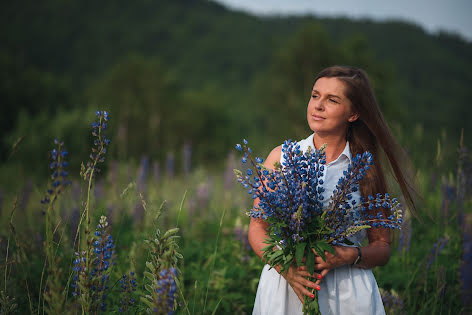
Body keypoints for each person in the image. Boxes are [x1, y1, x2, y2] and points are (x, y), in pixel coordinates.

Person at [249, 66, 418, 315]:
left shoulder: (364, 168)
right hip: (287, 283)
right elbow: (257, 228)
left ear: (353, 113)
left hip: (346, 292)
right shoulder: (281, 157)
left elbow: (382, 247)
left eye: (332, 100)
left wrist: (348, 255)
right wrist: (287, 270)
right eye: (315, 95)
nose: (318, 105)